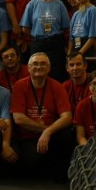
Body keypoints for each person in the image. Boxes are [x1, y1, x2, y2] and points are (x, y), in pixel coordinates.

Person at [10, 52, 74, 181]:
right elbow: (18, 118)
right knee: (31, 161)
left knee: (68, 134)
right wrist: (45, 129)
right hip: (28, 136)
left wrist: (48, 131)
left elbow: (67, 117)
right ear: (28, 68)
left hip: (51, 134)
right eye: (35, 64)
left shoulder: (57, 86)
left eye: (43, 64)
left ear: (49, 68)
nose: (39, 67)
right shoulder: (19, 86)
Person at [20, 0, 70, 81]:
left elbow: (66, 27)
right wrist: (38, 35)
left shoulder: (60, 5)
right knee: (37, 74)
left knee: (56, 75)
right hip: (38, 44)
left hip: (56, 44)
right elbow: (25, 28)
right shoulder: (32, 4)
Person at [73, 69, 96, 146]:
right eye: (93, 84)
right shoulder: (82, 106)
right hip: (89, 145)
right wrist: (89, 150)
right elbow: (80, 137)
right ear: (89, 86)